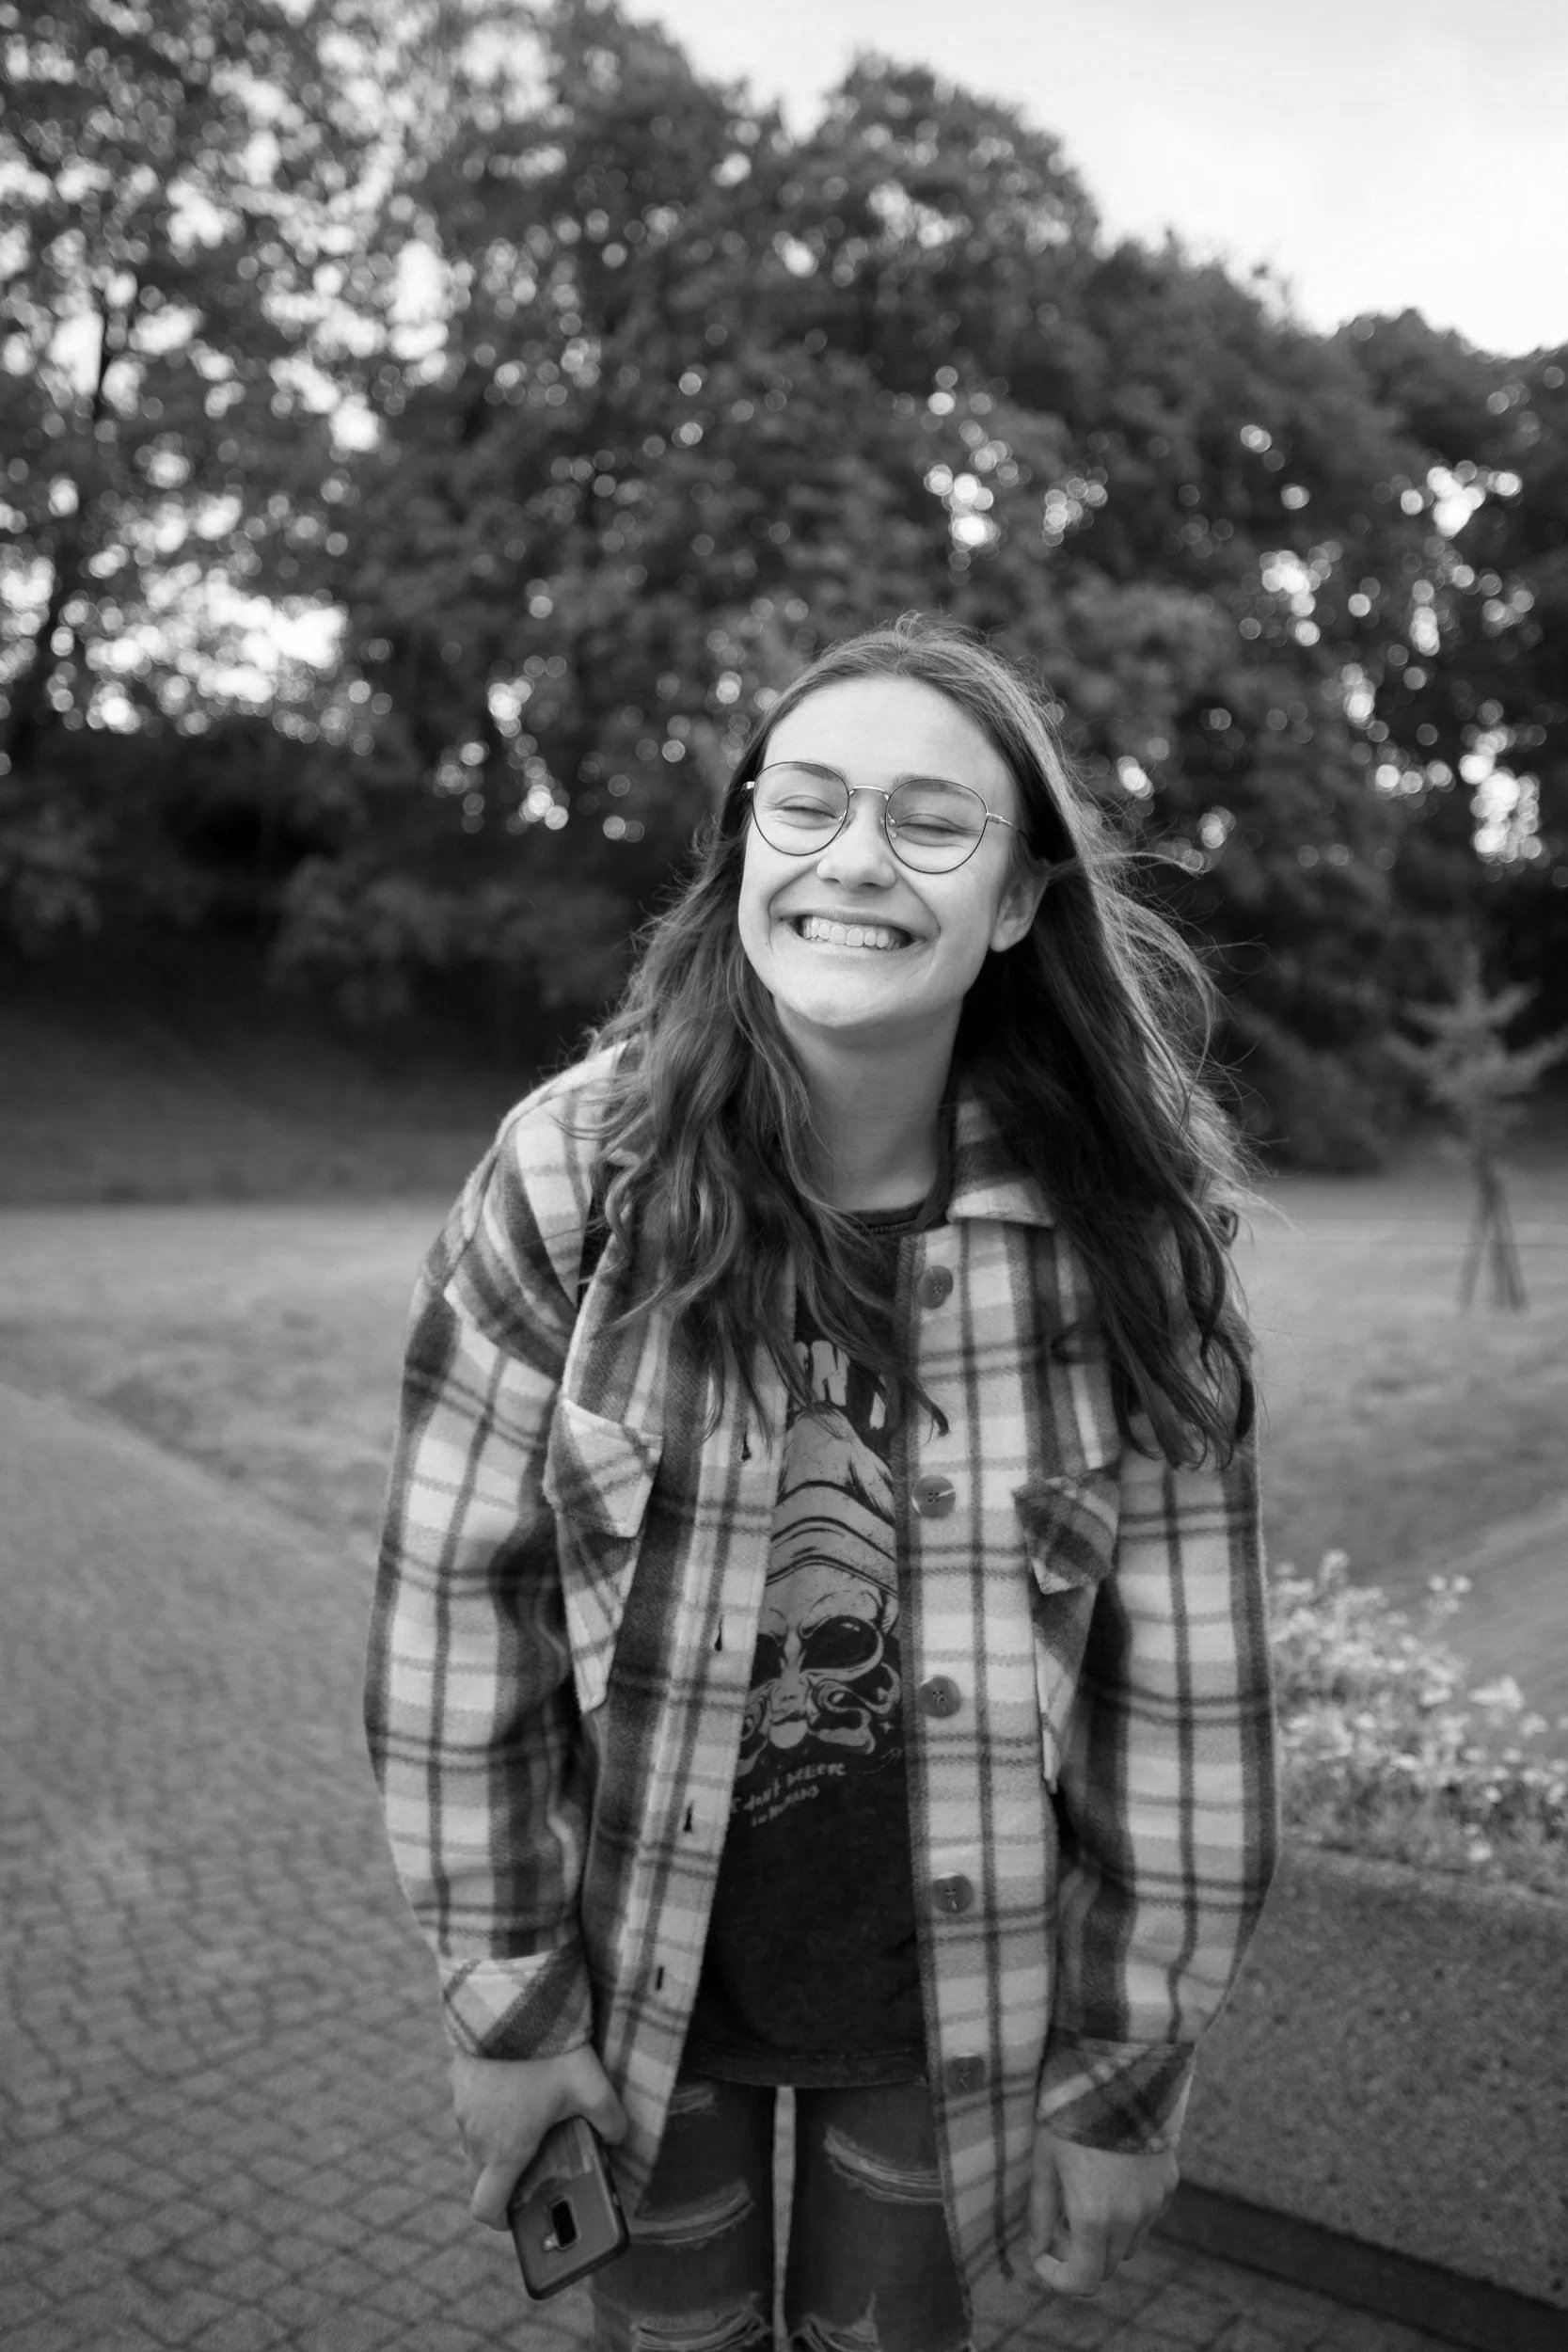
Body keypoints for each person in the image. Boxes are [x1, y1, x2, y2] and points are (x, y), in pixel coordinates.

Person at [365, 615, 1279, 2352]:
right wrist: (507, 2003)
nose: (854, 858)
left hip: (951, 2005)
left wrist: (1127, 2066)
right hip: (635, 1979)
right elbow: (450, 1618)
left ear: (1016, 902)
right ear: (744, 851)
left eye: (933, 823)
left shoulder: (1129, 1245)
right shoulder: (578, 1180)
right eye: (808, 805)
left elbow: (1189, 1702)